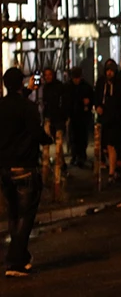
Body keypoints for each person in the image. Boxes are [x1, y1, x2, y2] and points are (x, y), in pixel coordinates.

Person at [0, 67, 53, 277]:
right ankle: (15, 260)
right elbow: (35, 131)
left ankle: (20, 257)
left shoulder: (2, 106)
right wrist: (46, 138)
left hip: (4, 167)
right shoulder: (27, 107)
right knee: (26, 213)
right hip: (24, 165)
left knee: (13, 213)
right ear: (21, 82)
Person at [94, 60, 121, 184]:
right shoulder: (101, 83)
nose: (109, 73)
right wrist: (98, 106)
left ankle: (111, 171)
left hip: (115, 119)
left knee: (111, 144)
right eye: (107, 70)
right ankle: (110, 167)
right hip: (104, 118)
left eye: (111, 71)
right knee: (104, 145)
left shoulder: (119, 84)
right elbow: (97, 96)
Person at [39, 68, 70, 170]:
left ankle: (59, 165)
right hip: (50, 118)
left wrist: (65, 116)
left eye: (49, 74)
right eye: (46, 75)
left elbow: (64, 102)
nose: (48, 77)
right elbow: (45, 104)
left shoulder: (59, 87)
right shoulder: (45, 88)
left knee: (58, 141)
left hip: (59, 118)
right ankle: (61, 163)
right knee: (55, 142)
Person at [66, 67, 95, 168]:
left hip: (83, 116)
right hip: (73, 115)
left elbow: (92, 98)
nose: (76, 80)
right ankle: (75, 155)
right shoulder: (69, 86)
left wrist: (88, 102)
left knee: (82, 137)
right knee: (73, 137)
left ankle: (81, 156)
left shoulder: (85, 87)